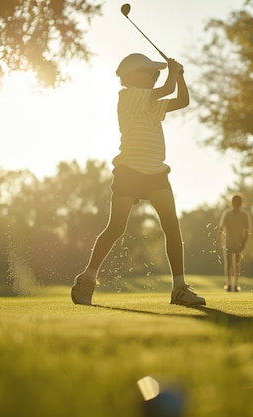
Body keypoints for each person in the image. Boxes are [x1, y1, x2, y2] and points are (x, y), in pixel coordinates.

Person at [71, 53, 205, 306]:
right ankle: (87, 278)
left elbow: (183, 100)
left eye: (157, 73)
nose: (155, 76)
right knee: (117, 228)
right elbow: (167, 87)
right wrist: (172, 74)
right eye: (150, 72)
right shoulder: (130, 95)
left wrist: (180, 77)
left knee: (171, 227)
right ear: (132, 76)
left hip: (156, 172)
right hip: (129, 171)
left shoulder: (153, 103)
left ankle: (179, 288)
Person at [217, 192, 250, 292]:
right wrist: (219, 239)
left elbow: (247, 230)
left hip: (239, 242)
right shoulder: (227, 213)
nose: (236, 204)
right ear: (232, 203)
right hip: (229, 242)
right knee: (228, 264)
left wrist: (244, 242)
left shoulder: (244, 215)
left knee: (236, 264)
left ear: (240, 203)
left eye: (238, 202)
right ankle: (228, 284)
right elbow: (221, 227)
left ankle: (235, 284)